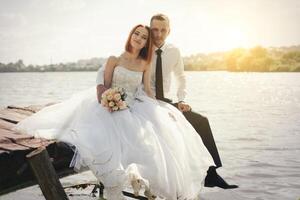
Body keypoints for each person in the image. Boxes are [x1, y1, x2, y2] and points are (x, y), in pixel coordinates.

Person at [15, 24, 216, 200]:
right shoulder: (114, 59)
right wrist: (109, 99)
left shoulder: (145, 64)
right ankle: (117, 185)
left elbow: (147, 90)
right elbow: (105, 85)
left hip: (131, 105)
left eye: (144, 37)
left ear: (146, 43)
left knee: (151, 137)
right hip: (108, 104)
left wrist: (166, 107)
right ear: (130, 36)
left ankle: (140, 178)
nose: (139, 38)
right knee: (104, 138)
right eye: (136, 34)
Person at [97, 14, 238, 190]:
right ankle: (166, 181)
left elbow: (181, 77)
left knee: (200, 121)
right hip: (146, 100)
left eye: (163, 30)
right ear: (150, 30)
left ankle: (212, 174)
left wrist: (182, 100)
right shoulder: (141, 50)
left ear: (169, 31)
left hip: (167, 101)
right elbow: (110, 70)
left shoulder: (174, 51)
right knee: (168, 128)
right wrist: (102, 90)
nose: (158, 34)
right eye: (154, 29)